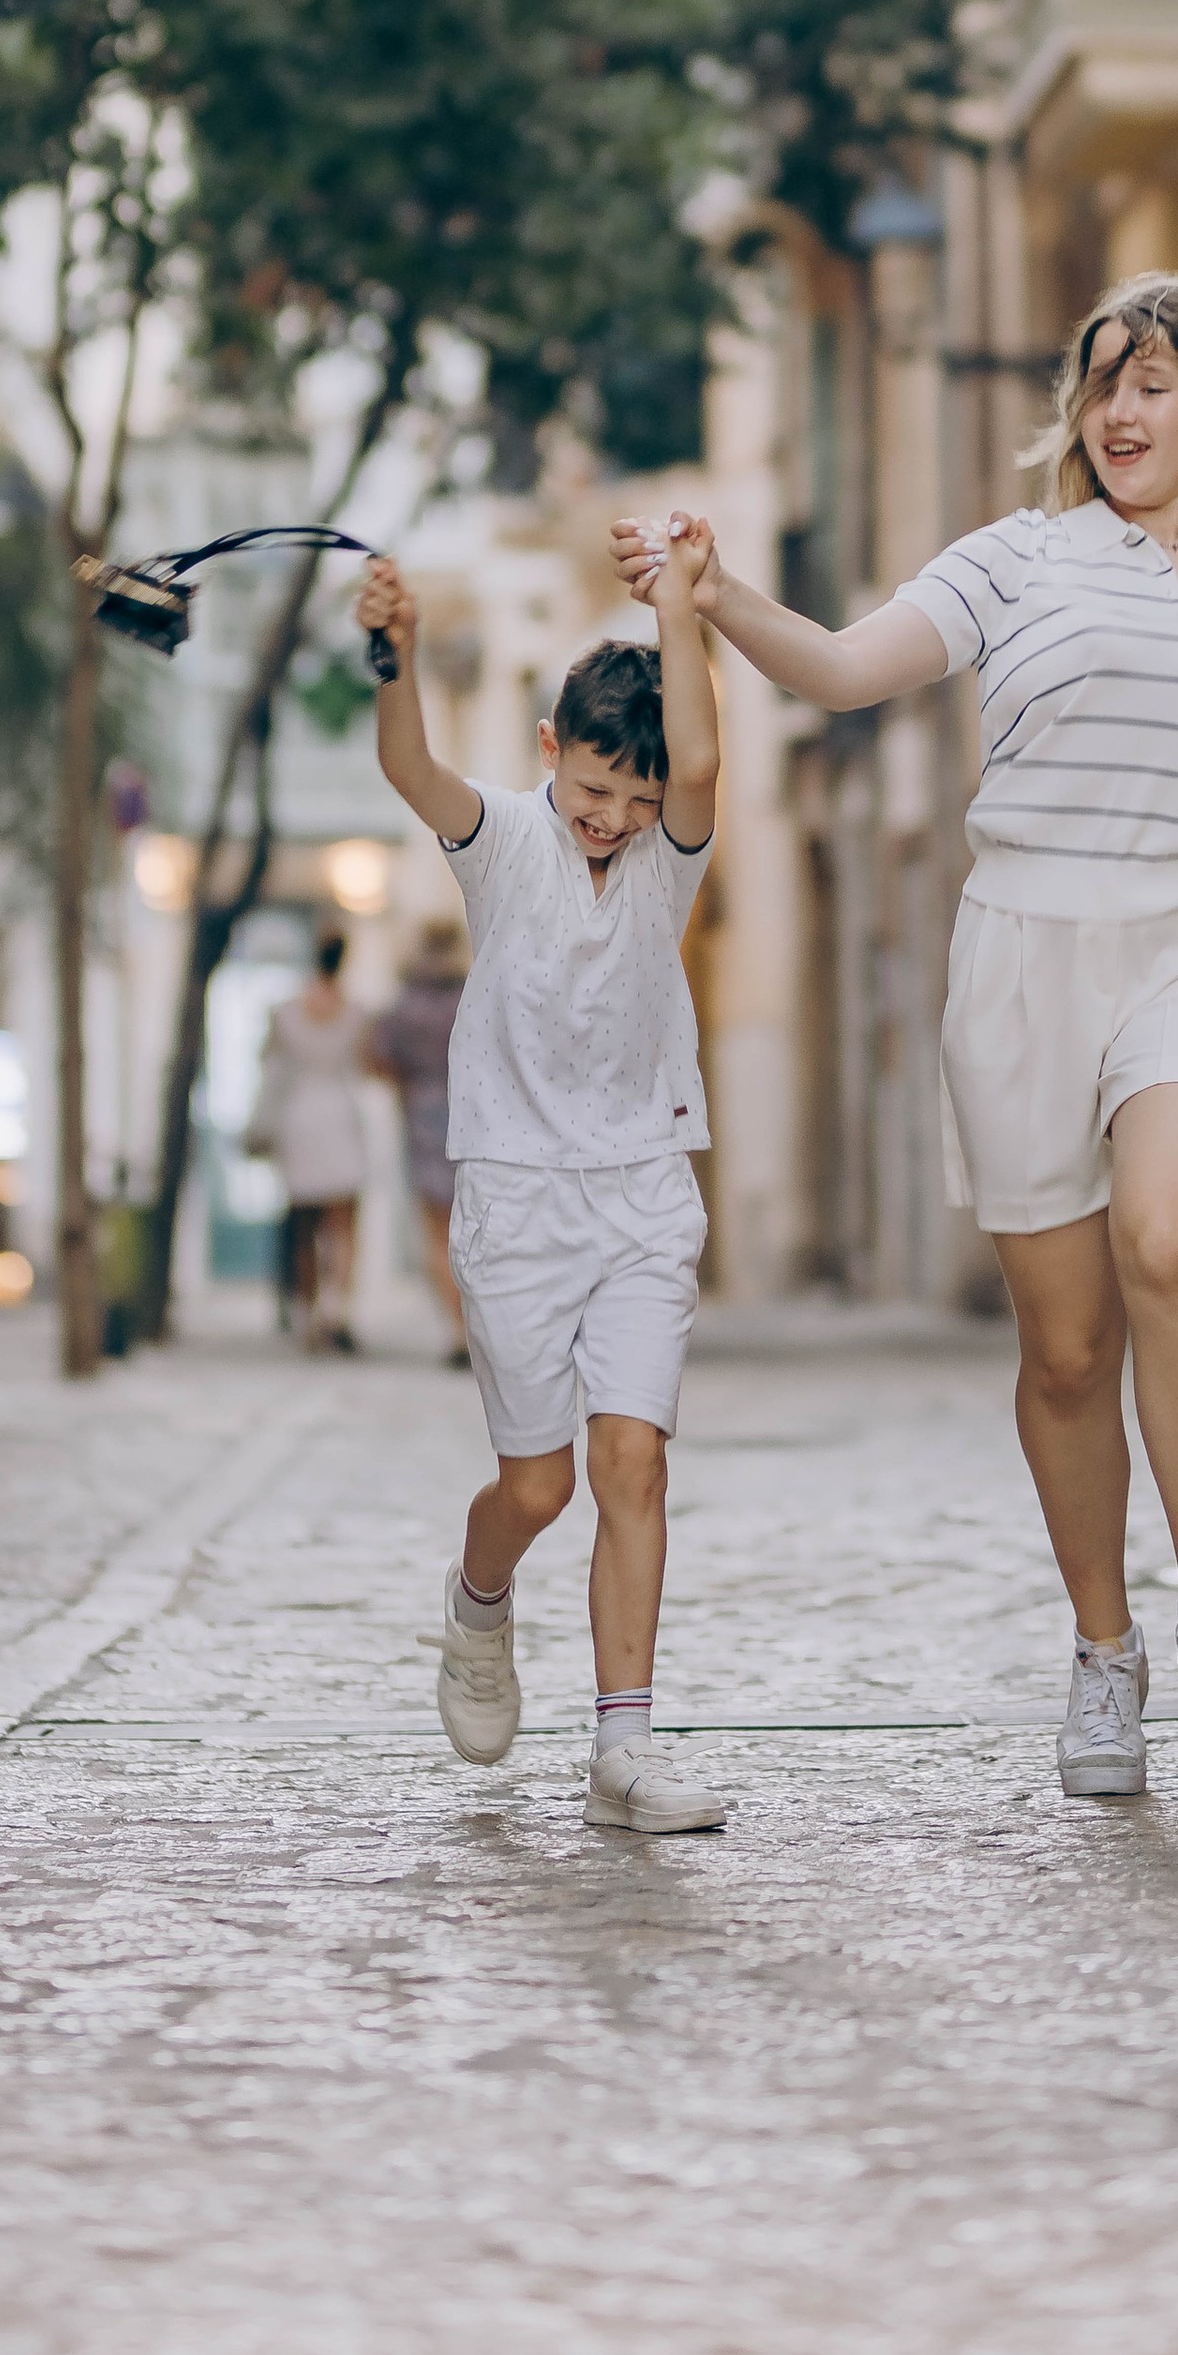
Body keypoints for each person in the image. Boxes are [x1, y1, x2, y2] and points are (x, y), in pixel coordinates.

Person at [612, 271, 1178, 1805]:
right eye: (1101, 386)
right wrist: (712, 593)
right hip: (1023, 953)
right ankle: (1106, 1652)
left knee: (1170, 1240)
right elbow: (836, 668)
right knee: (1069, 1349)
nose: (1118, 413)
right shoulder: (1017, 561)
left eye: (1150, 382)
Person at [357, 537, 727, 1838]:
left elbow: (707, 757)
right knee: (541, 1486)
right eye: (592, 784)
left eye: (636, 794)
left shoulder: (671, 857)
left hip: (641, 1191)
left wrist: (680, 609)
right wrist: (393, 653)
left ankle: (622, 1750)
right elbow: (409, 767)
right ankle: (478, 1601)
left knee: (633, 1462)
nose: (611, 815)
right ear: (549, 746)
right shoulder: (503, 838)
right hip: (514, 1197)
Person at [252, 933, 374, 1354]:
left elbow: (267, 1062)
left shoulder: (285, 1012)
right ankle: (337, 1311)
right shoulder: (356, 1013)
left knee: (304, 1224)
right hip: (339, 1115)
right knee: (343, 1225)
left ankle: (308, 1314)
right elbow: (365, 1064)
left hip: (299, 1118)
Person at [370, 914, 473, 1361]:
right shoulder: (473, 996)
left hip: (422, 1116)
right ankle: (475, 1324)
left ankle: (455, 1329)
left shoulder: (404, 1003)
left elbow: (379, 1058)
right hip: (476, 1119)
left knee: (436, 1230)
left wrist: (411, 1087)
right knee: (477, 1228)